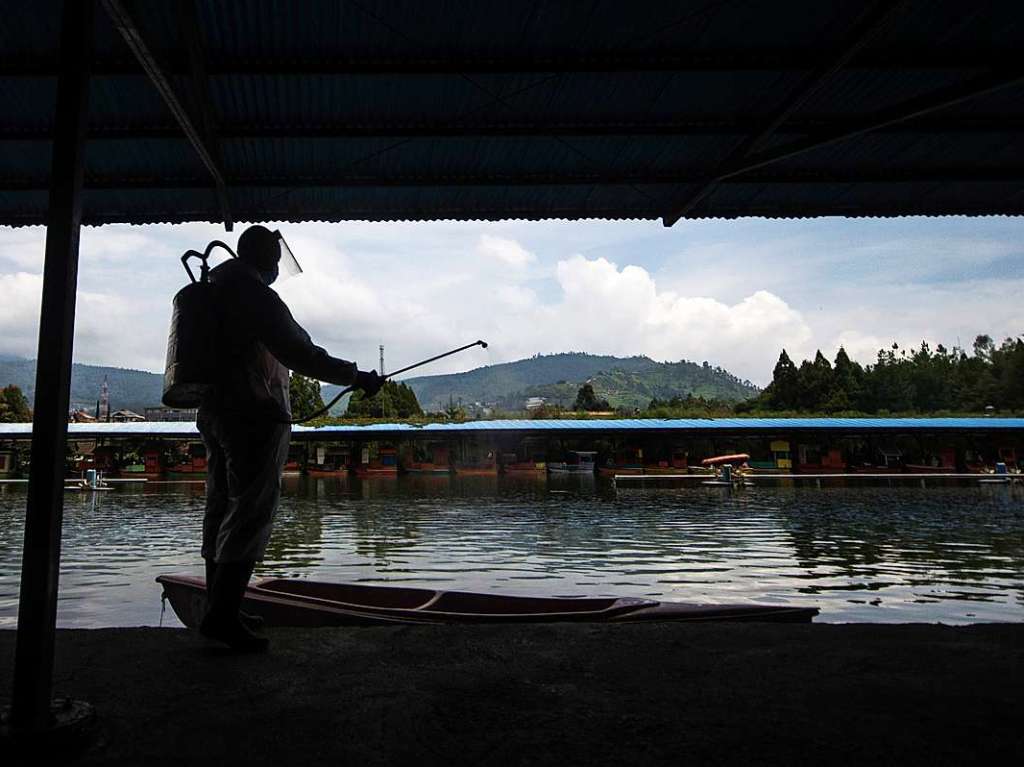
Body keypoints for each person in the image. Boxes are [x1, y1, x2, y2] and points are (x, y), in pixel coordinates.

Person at [197, 224, 383, 650]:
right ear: (265, 256)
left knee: (221, 506)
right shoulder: (255, 295)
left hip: (215, 412)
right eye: (276, 259)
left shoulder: (217, 290)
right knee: (250, 512)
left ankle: (218, 609)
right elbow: (300, 351)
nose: (278, 267)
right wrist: (355, 376)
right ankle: (223, 617)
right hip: (253, 414)